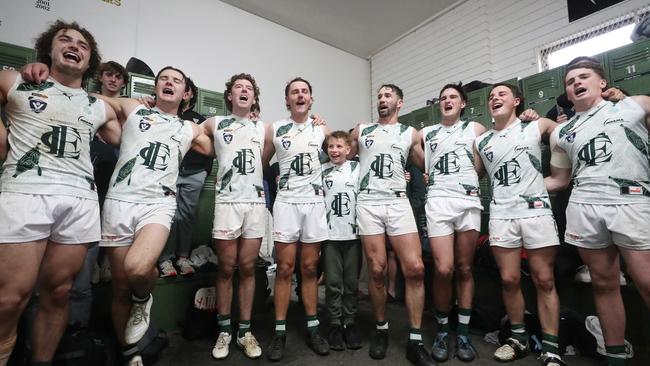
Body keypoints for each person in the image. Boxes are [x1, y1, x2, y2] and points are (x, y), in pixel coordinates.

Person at [0, 20, 121, 365]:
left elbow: (131, 137)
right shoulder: (18, 81)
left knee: (58, 293)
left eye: (83, 44)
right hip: (25, 194)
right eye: (65, 40)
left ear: (90, 59)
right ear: (48, 51)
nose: (74, 46)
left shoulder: (99, 106)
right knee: (10, 298)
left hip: (80, 200)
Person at [545, 56, 650, 366]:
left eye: (584, 76)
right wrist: (526, 187)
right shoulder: (561, 133)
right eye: (570, 81)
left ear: (602, 82)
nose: (576, 83)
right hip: (585, 206)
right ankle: (615, 356)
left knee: (646, 282)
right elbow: (559, 179)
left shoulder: (636, 106)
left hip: (631, 201)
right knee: (604, 284)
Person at [474, 83, 565, 365]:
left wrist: (558, 176)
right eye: (491, 97)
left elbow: (564, 135)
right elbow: (474, 175)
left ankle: (551, 349)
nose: (494, 99)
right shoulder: (482, 141)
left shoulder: (535, 126)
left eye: (501, 94)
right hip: (502, 213)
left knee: (544, 279)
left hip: (535, 211)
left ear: (516, 101)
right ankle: (518, 339)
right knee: (509, 279)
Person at [348, 84, 435, 365]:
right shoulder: (362, 131)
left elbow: (427, 165)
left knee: (416, 268)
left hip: (398, 202)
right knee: (376, 269)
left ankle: (415, 339)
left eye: (388, 96)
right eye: (379, 96)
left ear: (399, 102)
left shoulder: (409, 133)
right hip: (369, 202)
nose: (382, 99)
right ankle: (382, 329)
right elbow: (335, 151)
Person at [263, 77, 330, 361]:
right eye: (294, 92)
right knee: (285, 268)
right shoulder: (276, 128)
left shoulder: (321, 128)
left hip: (314, 203)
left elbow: (340, 155)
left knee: (310, 268)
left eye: (304, 91)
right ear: (287, 100)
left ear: (311, 99)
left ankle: (313, 327)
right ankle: (279, 331)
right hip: (287, 203)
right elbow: (260, 161)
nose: (300, 95)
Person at [199, 73, 265, 360]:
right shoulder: (215, 123)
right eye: (238, 87)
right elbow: (186, 132)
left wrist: (317, 122)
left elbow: (296, 130)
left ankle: (244, 331)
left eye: (248, 88)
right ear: (229, 95)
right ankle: (224, 330)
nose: (243, 90)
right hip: (227, 202)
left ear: (253, 98)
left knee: (248, 267)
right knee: (226, 267)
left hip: (255, 203)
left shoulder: (265, 128)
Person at [419, 84, 486, 362]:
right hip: (438, 201)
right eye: (443, 98)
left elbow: (483, 163)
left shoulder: (476, 129)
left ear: (463, 104)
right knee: (444, 269)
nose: (447, 101)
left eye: (453, 98)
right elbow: (412, 153)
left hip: (468, 201)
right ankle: (443, 328)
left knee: (464, 268)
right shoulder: (426, 133)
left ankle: (463, 332)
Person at [158, 77, 212, 277]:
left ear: (190, 95)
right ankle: (165, 260)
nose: (185, 94)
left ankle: (182, 257)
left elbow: (210, 148)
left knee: (186, 216)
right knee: (168, 215)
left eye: (188, 91)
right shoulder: (169, 115)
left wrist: (204, 171)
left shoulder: (200, 119)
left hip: (194, 174)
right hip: (170, 173)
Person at [321, 130, 363, 351]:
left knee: (351, 283)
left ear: (348, 149)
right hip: (330, 235)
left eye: (339, 147)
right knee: (333, 282)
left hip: (353, 235)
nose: (335, 150)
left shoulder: (357, 168)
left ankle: (350, 322)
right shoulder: (322, 171)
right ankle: (335, 324)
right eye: (331, 146)